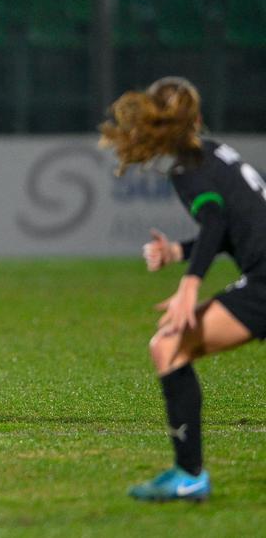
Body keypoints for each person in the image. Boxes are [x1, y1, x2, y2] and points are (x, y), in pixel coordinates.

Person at [99, 76, 266, 502]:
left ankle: (188, 475)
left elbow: (214, 221)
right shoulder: (214, 154)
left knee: (168, 347)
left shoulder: (185, 169)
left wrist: (190, 284)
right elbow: (233, 224)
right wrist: (178, 251)